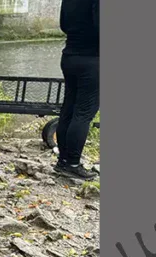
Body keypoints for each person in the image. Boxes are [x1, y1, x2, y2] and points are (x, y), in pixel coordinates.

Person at [54, 0, 99, 180]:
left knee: (69, 109)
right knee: (83, 113)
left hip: (69, 56)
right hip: (92, 60)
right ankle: (73, 164)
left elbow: (64, 25)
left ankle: (63, 161)